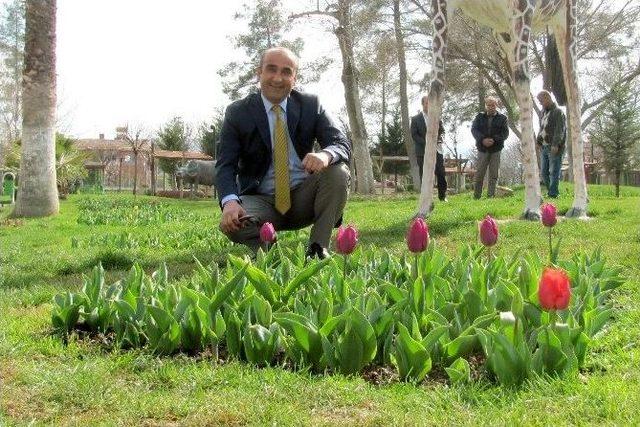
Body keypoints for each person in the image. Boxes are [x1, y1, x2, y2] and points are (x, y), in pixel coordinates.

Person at [216, 47, 351, 259]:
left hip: (304, 198)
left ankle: (317, 249)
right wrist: (230, 202)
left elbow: (340, 143)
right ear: (258, 73)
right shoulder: (238, 112)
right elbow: (225, 166)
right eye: (271, 69)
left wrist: (325, 155)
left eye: (286, 71)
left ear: (294, 78)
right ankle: (270, 253)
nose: (278, 78)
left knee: (338, 172)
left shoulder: (311, 105)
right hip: (261, 201)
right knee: (234, 223)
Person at [471, 96, 509, 199]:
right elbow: (474, 130)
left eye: (493, 105)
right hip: (482, 149)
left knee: (494, 174)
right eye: (489, 105)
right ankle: (476, 196)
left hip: (496, 149)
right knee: (479, 173)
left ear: (496, 106)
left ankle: (490, 196)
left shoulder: (503, 118)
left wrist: (494, 140)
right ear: (485, 106)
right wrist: (483, 139)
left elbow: (505, 134)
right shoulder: (479, 117)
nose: (491, 107)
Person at [410, 96, 447, 201]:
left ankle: (442, 196)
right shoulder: (415, 119)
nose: (429, 105)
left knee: (440, 172)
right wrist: (427, 143)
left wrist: (440, 139)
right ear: (423, 104)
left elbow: (442, 131)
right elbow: (414, 135)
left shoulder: (437, 117)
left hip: (437, 150)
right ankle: (426, 199)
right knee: (425, 175)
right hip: (423, 151)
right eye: (427, 103)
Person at [536, 90, 566, 199]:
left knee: (554, 171)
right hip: (544, 147)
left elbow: (560, 130)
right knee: (544, 173)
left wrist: (555, 144)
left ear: (547, 98)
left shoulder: (558, 112)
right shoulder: (543, 112)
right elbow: (542, 129)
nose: (540, 103)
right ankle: (550, 191)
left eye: (541, 101)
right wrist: (538, 141)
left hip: (554, 147)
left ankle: (553, 194)